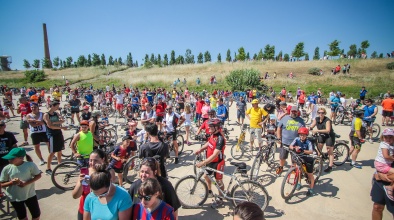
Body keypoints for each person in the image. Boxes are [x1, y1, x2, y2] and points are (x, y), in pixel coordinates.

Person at [72, 149, 116, 220]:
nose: (92, 163)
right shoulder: (85, 173)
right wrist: (80, 183)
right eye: (90, 160)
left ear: (103, 159)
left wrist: (95, 184)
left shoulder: (109, 172)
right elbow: (75, 195)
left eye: (95, 160)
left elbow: (111, 193)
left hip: (101, 211)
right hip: (84, 210)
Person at [0, 148, 42, 220]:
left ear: (21, 158)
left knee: (36, 214)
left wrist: (26, 183)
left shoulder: (30, 165)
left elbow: (38, 175)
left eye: (12, 158)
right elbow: (1, 184)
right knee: (22, 215)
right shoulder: (7, 168)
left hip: (30, 194)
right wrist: (11, 183)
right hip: (15, 197)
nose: (9, 159)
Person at [195, 118, 226, 209]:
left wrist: (203, 162)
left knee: (219, 181)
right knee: (206, 176)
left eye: (212, 126)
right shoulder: (213, 135)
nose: (209, 128)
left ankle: (220, 199)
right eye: (210, 126)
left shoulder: (220, 139)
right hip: (210, 161)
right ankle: (210, 192)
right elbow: (209, 143)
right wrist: (200, 149)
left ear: (217, 127)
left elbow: (215, 155)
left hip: (218, 162)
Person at [276, 106, 306, 175]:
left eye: (295, 111)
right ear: (290, 111)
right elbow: (279, 128)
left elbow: (303, 132)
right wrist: (278, 137)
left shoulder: (301, 121)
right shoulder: (285, 118)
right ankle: (281, 167)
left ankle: (293, 168)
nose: (293, 113)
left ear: (297, 112)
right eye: (292, 111)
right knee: (282, 156)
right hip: (284, 142)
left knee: (294, 158)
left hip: (295, 143)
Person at [43, 100, 68, 175]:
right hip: (52, 134)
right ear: (53, 106)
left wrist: (55, 122)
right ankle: (48, 168)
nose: (58, 108)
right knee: (52, 152)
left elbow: (62, 120)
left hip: (58, 133)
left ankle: (59, 163)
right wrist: (61, 127)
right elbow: (50, 126)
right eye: (57, 106)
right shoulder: (46, 115)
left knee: (60, 150)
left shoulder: (56, 113)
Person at [289, 127, 315, 196]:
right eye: (300, 135)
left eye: (303, 135)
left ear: (306, 135)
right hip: (300, 157)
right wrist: (294, 148)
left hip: (308, 159)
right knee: (299, 170)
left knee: (310, 175)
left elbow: (311, 151)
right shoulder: (297, 139)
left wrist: (303, 151)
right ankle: (299, 183)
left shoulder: (308, 142)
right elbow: (291, 145)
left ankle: (311, 188)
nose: (302, 136)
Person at [309, 107, 336, 172]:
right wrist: (308, 129)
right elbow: (311, 126)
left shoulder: (327, 120)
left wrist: (317, 130)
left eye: (322, 113)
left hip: (329, 136)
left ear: (325, 113)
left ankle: (330, 166)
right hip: (321, 135)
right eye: (319, 112)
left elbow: (328, 130)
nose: (321, 114)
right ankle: (318, 164)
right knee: (319, 150)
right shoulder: (316, 119)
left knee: (329, 150)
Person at [373, 128, 394, 201]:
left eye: (390, 137)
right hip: (382, 165)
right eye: (386, 137)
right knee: (377, 206)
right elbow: (386, 156)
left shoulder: (390, 145)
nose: (388, 139)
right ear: (383, 137)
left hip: (385, 165)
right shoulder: (384, 145)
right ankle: (390, 187)